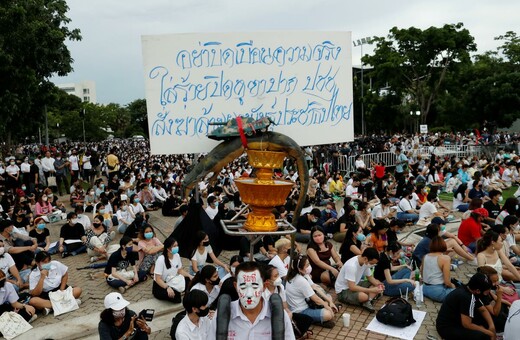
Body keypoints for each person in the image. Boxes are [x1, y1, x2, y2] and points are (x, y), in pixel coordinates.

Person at [209, 261, 296, 339]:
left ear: (264, 286)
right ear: (236, 286)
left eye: (255, 287)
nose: (249, 294)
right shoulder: (222, 314)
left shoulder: (279, 315)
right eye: (243, 287)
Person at [436, 272, 496, 340]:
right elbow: (467, 324)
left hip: (458, 320)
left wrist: (491, 326)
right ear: (478, 291)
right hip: (447, 328)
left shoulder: (468, 289)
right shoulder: (467, 297)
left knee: (489, 321)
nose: (487, 295)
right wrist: (488, 332)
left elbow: (482, 310)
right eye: (486, 292)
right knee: (483, 336)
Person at [263, 264, 313, 339]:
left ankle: (296, 334)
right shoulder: (262, 293)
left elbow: (285, 305)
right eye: (275, 276)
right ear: (267, 281)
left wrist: (289, 314)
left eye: (278, 275)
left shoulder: (280, 287)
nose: (278, 278)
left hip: (282, 316)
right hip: (268, 319)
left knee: (307, 319)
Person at [335, 247, 383, 313]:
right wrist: (371, 290)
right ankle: (368, 299)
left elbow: (370, 277)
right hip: (343, 290)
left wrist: (379, 285)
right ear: (366, 259)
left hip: (355, 284)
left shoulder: (365, 262)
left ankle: (368, 301)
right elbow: (352, 287)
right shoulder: (351, 266)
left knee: (377, 283)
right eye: (371, 263)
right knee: (364, 296)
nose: (372, 265)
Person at [153, 237, 191, 303]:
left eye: (177, 245)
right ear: (168, 248)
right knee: (176, 299)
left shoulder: (177, 255)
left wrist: (189, 275)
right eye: (174, 246)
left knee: (189, 280)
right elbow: (158, 279)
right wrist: (167, 287)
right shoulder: (161, 260)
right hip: (161, 285)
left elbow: (179, 270)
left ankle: (182, 292)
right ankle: (179, 292)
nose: (177, 247)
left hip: (172, 281)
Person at [421, 236, 456, 302]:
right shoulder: (446, 258)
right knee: (461, 293)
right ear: (443, 245)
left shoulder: (425, 256)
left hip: (425, 288)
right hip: (438, 291)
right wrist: (453, 286)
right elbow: (447, 282)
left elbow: (422, 273)